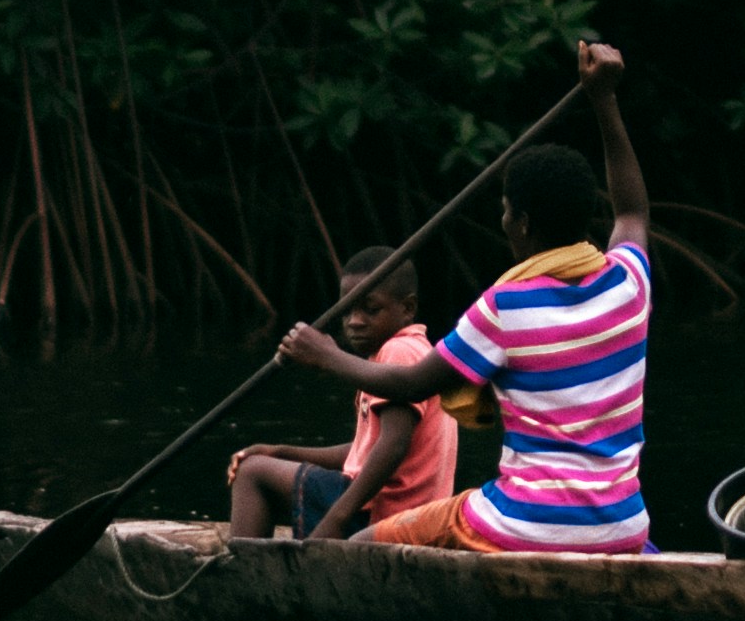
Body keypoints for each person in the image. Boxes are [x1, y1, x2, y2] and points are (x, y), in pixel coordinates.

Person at [279, 38, 655, 555]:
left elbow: (411, 383)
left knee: (365, 545)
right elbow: (633, 212)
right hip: (624, 527)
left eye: (505, 211)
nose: (503, 221)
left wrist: (326, 357)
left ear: (521, 223)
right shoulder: (629, 284)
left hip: (525, 522)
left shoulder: (504, 310)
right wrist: (605, 100)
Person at [226, 249, 451, 542]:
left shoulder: (400, 351)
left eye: (370, 310)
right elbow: (364, 452)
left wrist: (334, 522)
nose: (355, 321)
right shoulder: (409, 354)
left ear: (407, 309)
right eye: (348, 310)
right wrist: (280, 450)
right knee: (263, 463)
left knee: (252, 473)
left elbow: (393, 446)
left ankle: (243, 577)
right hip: (405, 514)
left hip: (384, 515)